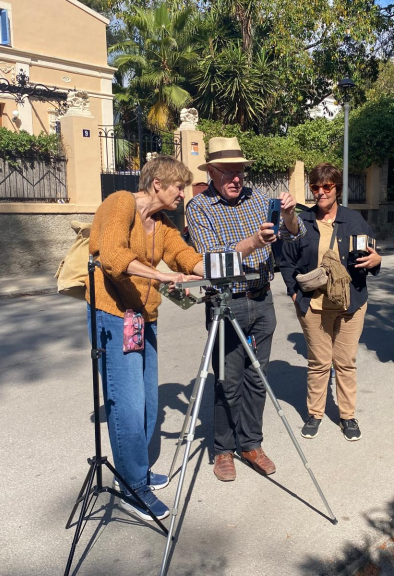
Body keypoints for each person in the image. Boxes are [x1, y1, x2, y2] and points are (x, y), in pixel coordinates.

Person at [86, 156, 204, 521]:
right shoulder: (120, 203)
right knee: (127, 403)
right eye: (178, 187)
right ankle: (132, 487)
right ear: (158, 184)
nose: (182, 193)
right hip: (113, 314)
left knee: (149, 401)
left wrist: (217, 269)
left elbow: (184, 255)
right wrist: (163, 277)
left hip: (143, 317)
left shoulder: (162, 223)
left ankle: (136, 470)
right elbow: (113, 255)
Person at [186, 137, 305, 482]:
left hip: (262, 298)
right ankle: (223, 450)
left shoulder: (257, 200)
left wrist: (289, 215)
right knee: (227, 381)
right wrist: (255, 241)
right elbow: (212, 260)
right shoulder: (200, 207)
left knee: (258, 378)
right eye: (228, 172)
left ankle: (251, 443)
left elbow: (292, 236)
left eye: (240, 171)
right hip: (227, 303)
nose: (237, 178)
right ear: (212, 172)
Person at [280, 163, 382, 441]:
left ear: (337, 188)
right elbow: (286, 260)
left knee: (345, 362)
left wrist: (377, 261)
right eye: (315, 187)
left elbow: (371, 255)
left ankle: (347, 416)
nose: (321, 192)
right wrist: (293, 292)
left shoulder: (355, 221)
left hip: (351, 305)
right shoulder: (300, 220)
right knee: (319, 362)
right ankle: (315, 413)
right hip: (313, 305)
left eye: (327, 187)